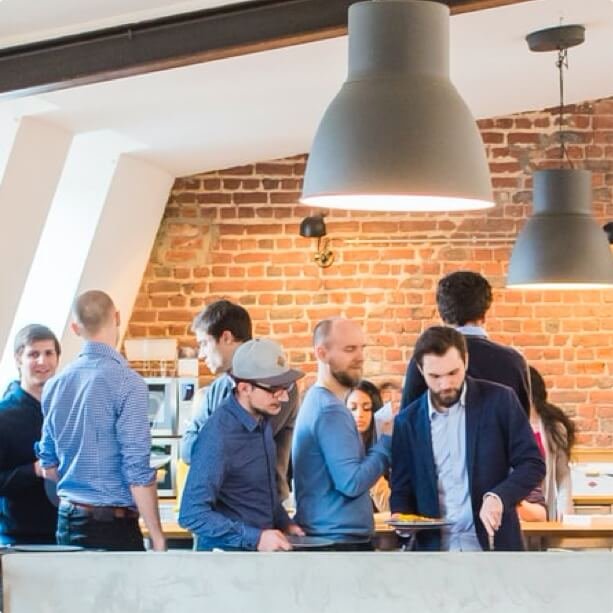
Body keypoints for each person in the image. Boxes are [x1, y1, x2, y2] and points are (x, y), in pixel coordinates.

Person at [391, 326, 545, 551]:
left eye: (453, 373)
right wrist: (401, 518)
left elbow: (532, 463)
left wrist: (499, 497)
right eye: (435, 376)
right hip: (434, 551)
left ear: (466, 360)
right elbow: (401, 488)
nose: (445, 384)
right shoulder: (407, 422)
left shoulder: (500, 401)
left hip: (494, 546)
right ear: (421, 370)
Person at [37, 290, 165, 551]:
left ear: (75, 328)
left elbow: (49, 465)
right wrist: (157, 536)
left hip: (67, 521)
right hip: (111, 526)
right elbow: (136, 471)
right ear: (117, 317)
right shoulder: (128, 383)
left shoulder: (54, 385)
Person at [179, 339, 305, 551]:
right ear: (245, 388)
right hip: (225, 561)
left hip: (256, 558)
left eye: (286, 387)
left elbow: (257, 492)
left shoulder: (262, 421)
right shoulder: (218, 436)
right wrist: (256, 538)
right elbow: (192, 514)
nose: (284, 397)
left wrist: (284, 521)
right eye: (275, 389)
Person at [181, 300, 297, 501]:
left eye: (204, 343)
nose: (201, 354)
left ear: (226, 337)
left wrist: (208, 439)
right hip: (218, 507)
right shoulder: (216, 389)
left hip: (260, 508)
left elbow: (241, 448)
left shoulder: (279, 384)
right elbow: (187, 451)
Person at [292, 318, 391, 550]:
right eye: (349, 349)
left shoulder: (317, 401)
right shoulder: (331, 410)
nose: (360, 357)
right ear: (322, 353)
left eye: (361, 348)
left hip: (328, 537)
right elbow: (351, 483)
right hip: (337, 543)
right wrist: (387, 442)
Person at [401, 271, 531, 416]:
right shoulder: (513, 361)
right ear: (484, 314)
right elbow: (523, 421)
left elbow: (407, 421)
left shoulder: (426, 360)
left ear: (442, 315)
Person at [0, 325, 60, 545]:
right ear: (18, 359)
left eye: (48, 353)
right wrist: (35, 470)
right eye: (33, 354)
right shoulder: (3, 416)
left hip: (67, 533)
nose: (42, 361)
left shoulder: (67, 412)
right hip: (18, 540)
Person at [529, 366, 575, 520]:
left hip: (543, 509)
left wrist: (565, 513)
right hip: (515, 508)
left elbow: (563, 475)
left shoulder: (554, 428)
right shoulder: (506, 424)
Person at [346, 380, 391, 512]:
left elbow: (392, 508)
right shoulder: (338, 449)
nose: (359, 414)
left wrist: (371, 472)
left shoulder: (385, 447)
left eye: (366, 408)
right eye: (353, 408)